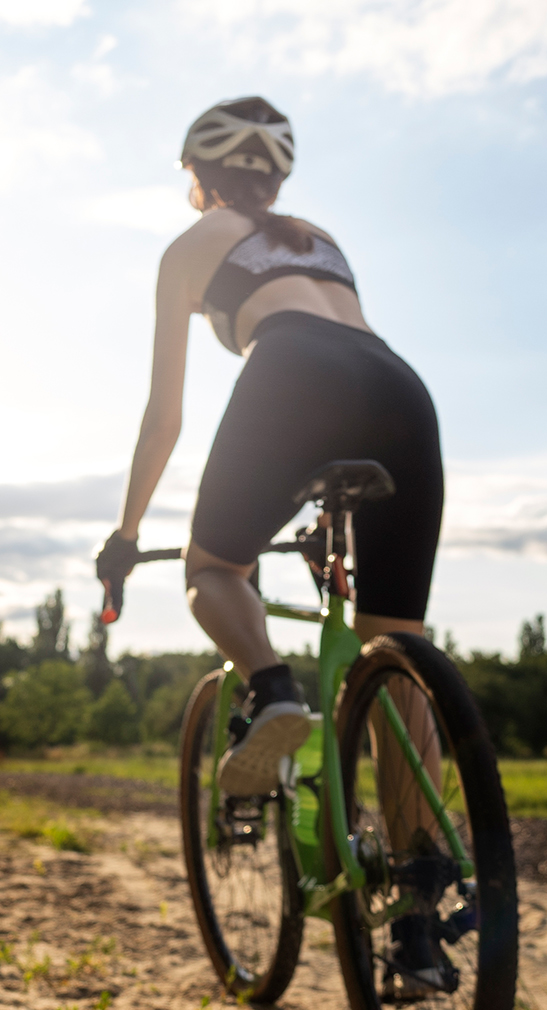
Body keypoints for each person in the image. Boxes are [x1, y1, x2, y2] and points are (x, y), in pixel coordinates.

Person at [96, 96, 445, 801]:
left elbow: (165, 415)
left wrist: (125, 534)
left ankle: (274, 690)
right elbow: (353, 375)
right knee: (395, 650)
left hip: (294, 368)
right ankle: (425, 884)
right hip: (402, 389)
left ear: (198, 173)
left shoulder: (190, 245)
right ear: (277, 182)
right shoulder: (317, 238)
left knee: (213, 569)